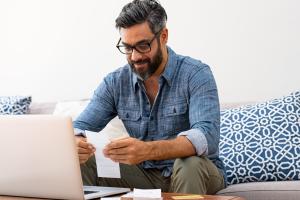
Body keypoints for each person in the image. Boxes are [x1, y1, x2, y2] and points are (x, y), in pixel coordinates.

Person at [73, 0, 226, 194]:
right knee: (82, 161)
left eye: (143, 45)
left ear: (163, 36)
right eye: (128, 47)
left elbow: (207, 136)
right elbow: (79, 127)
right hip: (143, 174)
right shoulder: (115, 82)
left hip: (198, 173)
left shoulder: (196, 74)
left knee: (189, 164)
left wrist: (147, 150)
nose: (135, 57)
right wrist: (75, 143)